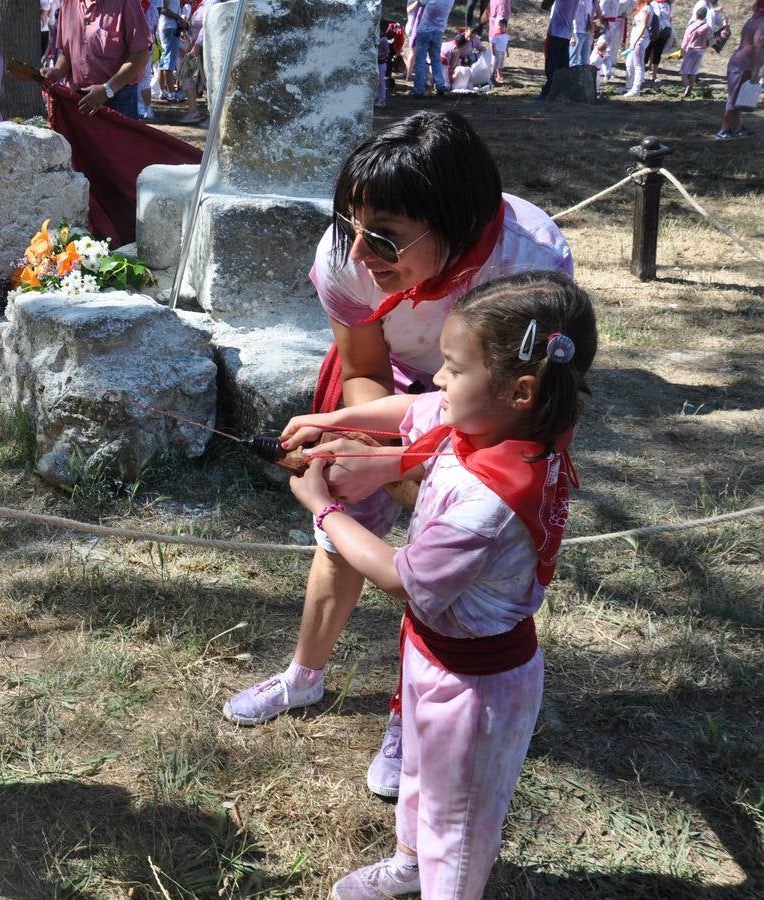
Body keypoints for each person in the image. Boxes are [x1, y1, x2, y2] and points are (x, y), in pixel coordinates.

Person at [222, 112, 573, 804]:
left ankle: (407, 718)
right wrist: (369, 449)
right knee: (345, 532)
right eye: (350, 225)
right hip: (392, 392)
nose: (359, 254)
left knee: (437, 566)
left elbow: (513, 409)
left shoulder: (529, 265)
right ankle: (303, 675)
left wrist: (421, 477)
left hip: (493, 407)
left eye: (382, 236)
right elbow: (363, 366)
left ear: (459, 220)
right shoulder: (344, 257)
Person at [308, 272, 597, 900]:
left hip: (478, 688)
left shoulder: (487, 501)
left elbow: (401, 576)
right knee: (420, 775)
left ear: (519, 390)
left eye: (451, 367)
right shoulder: (504, 422)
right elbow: (419, 413)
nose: (437, 379)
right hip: (435, 652)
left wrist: (324, 510)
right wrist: (334, 417)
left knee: (458, 824)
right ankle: (412, 865)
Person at [42, 0, 151, 118]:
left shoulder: (126, 3)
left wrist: (107, 90)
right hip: (78, 98)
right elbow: (66, 51)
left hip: (118, 100)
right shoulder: (68, 3)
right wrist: (58, 70)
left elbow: (141, 55)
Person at [716, 0, 763, 139]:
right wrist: (757, 70)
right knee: (734, 98)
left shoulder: (754, 19)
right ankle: (724, 130)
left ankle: (738, 128)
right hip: (743, 65)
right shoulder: (762, 22)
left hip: (741, 63)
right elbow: (758, 46)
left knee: (739, 98)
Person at [411, 0, 451, 96]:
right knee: (436, 60)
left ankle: (419, 90)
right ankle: (440, 86)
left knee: (420, 62)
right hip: (439, 31)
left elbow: (419, 3)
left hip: (424, 30)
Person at [540, 0, 579, 98]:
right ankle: (561, 92)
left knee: (552, 65)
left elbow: (544, 6)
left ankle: (548, 92)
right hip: (566, 34)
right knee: (563, 65)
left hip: (557, 32)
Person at [623, 0, 654, 95]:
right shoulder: (642, 8)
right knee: (629, 63)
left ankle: (635, 89)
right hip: (636, 40)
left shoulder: (646, 9)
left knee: (638, 65)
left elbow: (643, 26)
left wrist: (635, 41)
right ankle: (628, 86)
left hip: (640, 40)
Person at [680, 4, 710, 95]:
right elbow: (711, 39)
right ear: (705, 16)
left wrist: (682, 51)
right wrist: (706, 45)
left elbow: (685, 41)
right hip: (701, 50)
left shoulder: (691, 27)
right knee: (693, 71)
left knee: (684, 71)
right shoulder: (707, 27)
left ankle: (687, 86)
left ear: (696, 15)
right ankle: (690, 88)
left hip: (691, 49)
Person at [570, 0, 595, 67]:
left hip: (588, 32)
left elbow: (590, 14)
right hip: (577, 32)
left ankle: (581, 77)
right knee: (573, 61)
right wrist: (571, 35)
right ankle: (572, 76)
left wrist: (591, 24)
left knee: (585, 61)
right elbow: (570, 16)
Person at [491, 16, 510, 83]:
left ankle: (499, 76)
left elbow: (506, 44)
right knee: (495, 64)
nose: (500, 27)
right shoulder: (496, 35)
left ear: (506, 27)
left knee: (500, 64)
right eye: (499, 25)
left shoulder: (506, 36)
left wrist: (507, 51)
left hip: (502, 52)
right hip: (497, 52)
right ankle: (493, 76)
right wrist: (493, 51)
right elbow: (493, 43)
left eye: (502, 26)